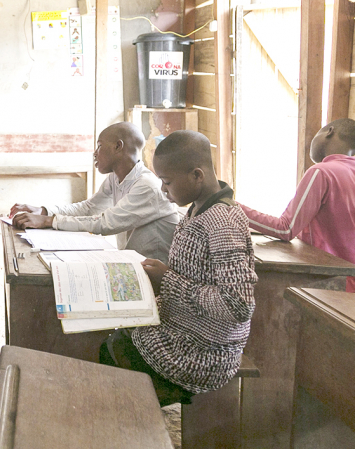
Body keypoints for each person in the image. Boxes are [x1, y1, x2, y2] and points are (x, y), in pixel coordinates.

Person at [99, 130, 257, 404]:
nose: (163, 189)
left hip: (204, 352)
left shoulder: (223, 222)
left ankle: (137, 430)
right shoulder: (197, 210)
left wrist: (168, 281)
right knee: (110, 339)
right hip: (184, 331)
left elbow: (238, 305)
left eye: (167, 182)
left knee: (113, 355)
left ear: (197, 175)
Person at [240, 118, 355, 295]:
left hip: (336, 288)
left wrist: (232, 207)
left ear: (330, 131)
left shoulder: (321, 172)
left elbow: (285, 229)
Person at [9, 122, 176, 262]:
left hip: (155, 279)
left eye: (100, 146)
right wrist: (45, 211)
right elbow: (90, 208)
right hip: (135, 264)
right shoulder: (115, 178)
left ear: (118, 146)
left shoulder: (146, 186)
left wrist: (47, 221)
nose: (95, 153)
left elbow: (105, 223)